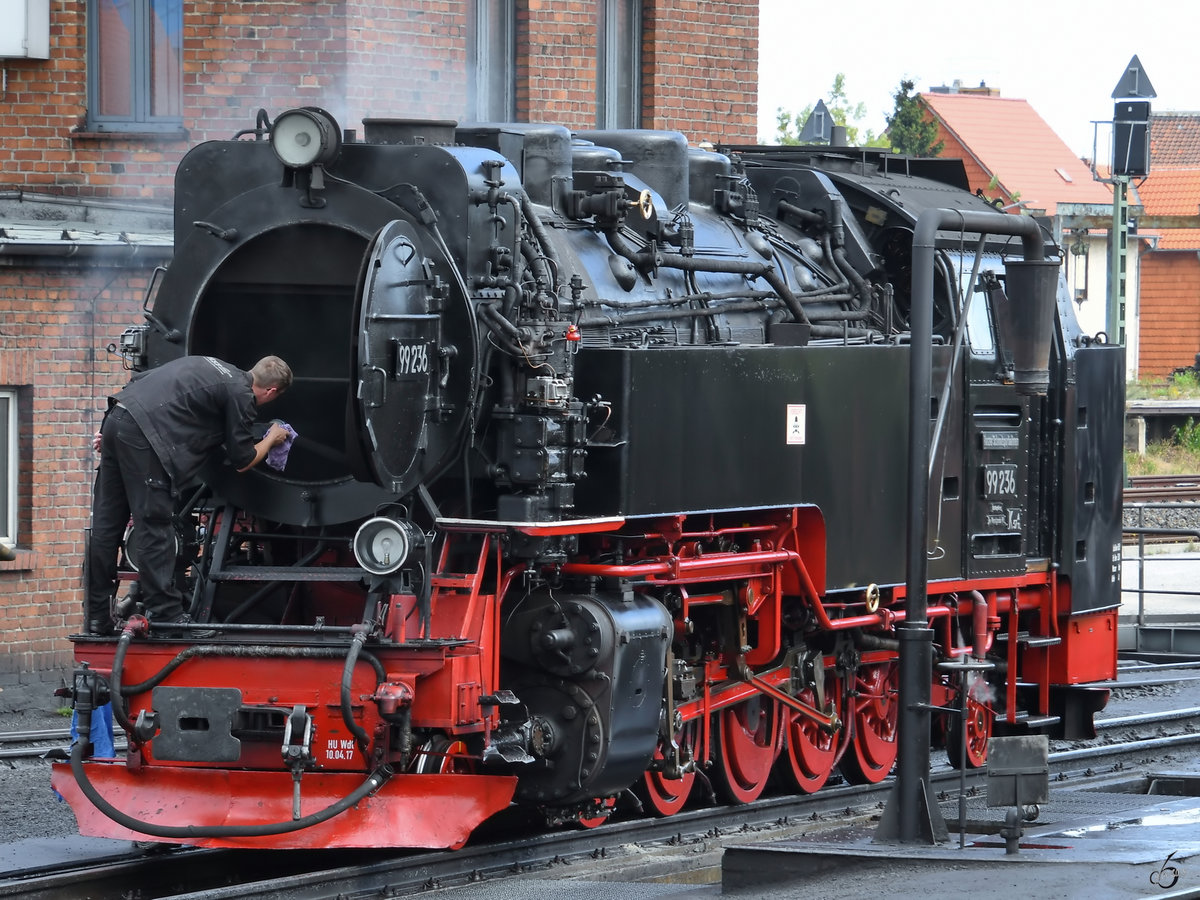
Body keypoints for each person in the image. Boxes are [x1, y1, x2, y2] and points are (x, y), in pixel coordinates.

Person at [85, 355, 293, 635]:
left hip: (117, 417)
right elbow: (242, 459)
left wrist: (112, 431)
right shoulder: (241, 393)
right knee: (154, 528)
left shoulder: (212, 365)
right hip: (144, 440)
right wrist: (272, 438)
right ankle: (168, 618)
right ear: (271, 391)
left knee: (106, 526)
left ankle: (98, 616)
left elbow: (139, 381)